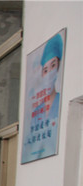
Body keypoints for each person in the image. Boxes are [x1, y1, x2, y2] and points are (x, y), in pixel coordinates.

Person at [23, 32, 64, 162]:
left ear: (59, 67)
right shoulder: (37, 111)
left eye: (53, 65)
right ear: (42, 74)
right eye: (45, 70)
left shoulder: (61, 103)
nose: (49, 73)